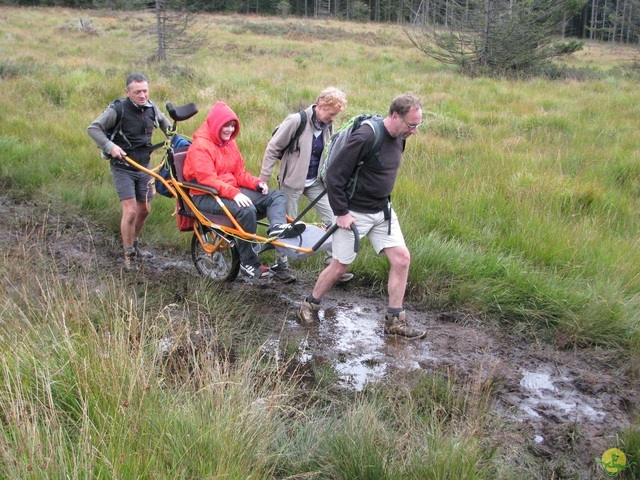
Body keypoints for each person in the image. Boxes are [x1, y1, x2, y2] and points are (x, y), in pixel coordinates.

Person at [297, 93, 427, 340]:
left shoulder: (400, 138)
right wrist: (342, 213)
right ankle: (309, 304)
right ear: (395, 116)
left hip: (382, 211)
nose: (414, 131)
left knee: (401, 259)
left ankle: (395, 321)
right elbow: (334, 175)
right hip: (354, 213)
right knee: (339, 266)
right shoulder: (366, 136)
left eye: (417, 125)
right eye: (411, 125)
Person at [183, 101, 305, 280]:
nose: (230, 130)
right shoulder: (200, 146)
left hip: (228, 190)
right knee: (246, 210)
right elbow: (207, 180)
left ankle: (277, 228)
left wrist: (256, 184)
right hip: (205, 195)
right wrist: (235, 193)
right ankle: (249, 262)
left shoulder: (230, 144)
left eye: (233, 126)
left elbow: (239, 173)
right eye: (226, 125)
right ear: (216, 124)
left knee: (276, 196)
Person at [260, 87, 353, 284]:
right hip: (292, 182)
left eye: (336, 115)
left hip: (316, 182)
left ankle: (332, 266)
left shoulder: (328, 126)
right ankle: (281, 265)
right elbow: (272, 148)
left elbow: (328, 154)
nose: (332, 118)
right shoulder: (297, 121)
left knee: (334, 219)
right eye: (330, 113)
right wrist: (264, 179)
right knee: (287, 226)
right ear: (320, 105)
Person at [88, 73, 171, 272]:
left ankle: (134, 243)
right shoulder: (118, 109)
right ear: (128, 92)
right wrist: (110, 147)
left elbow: (166, 125)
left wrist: (173, 139)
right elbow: (93, 128)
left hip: (144, 167)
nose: (142, 95)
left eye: (145, 91)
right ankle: (128, 254)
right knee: (131, 210)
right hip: (123, 167)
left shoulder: (151, 107)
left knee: (144, 210)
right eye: (137, 92)